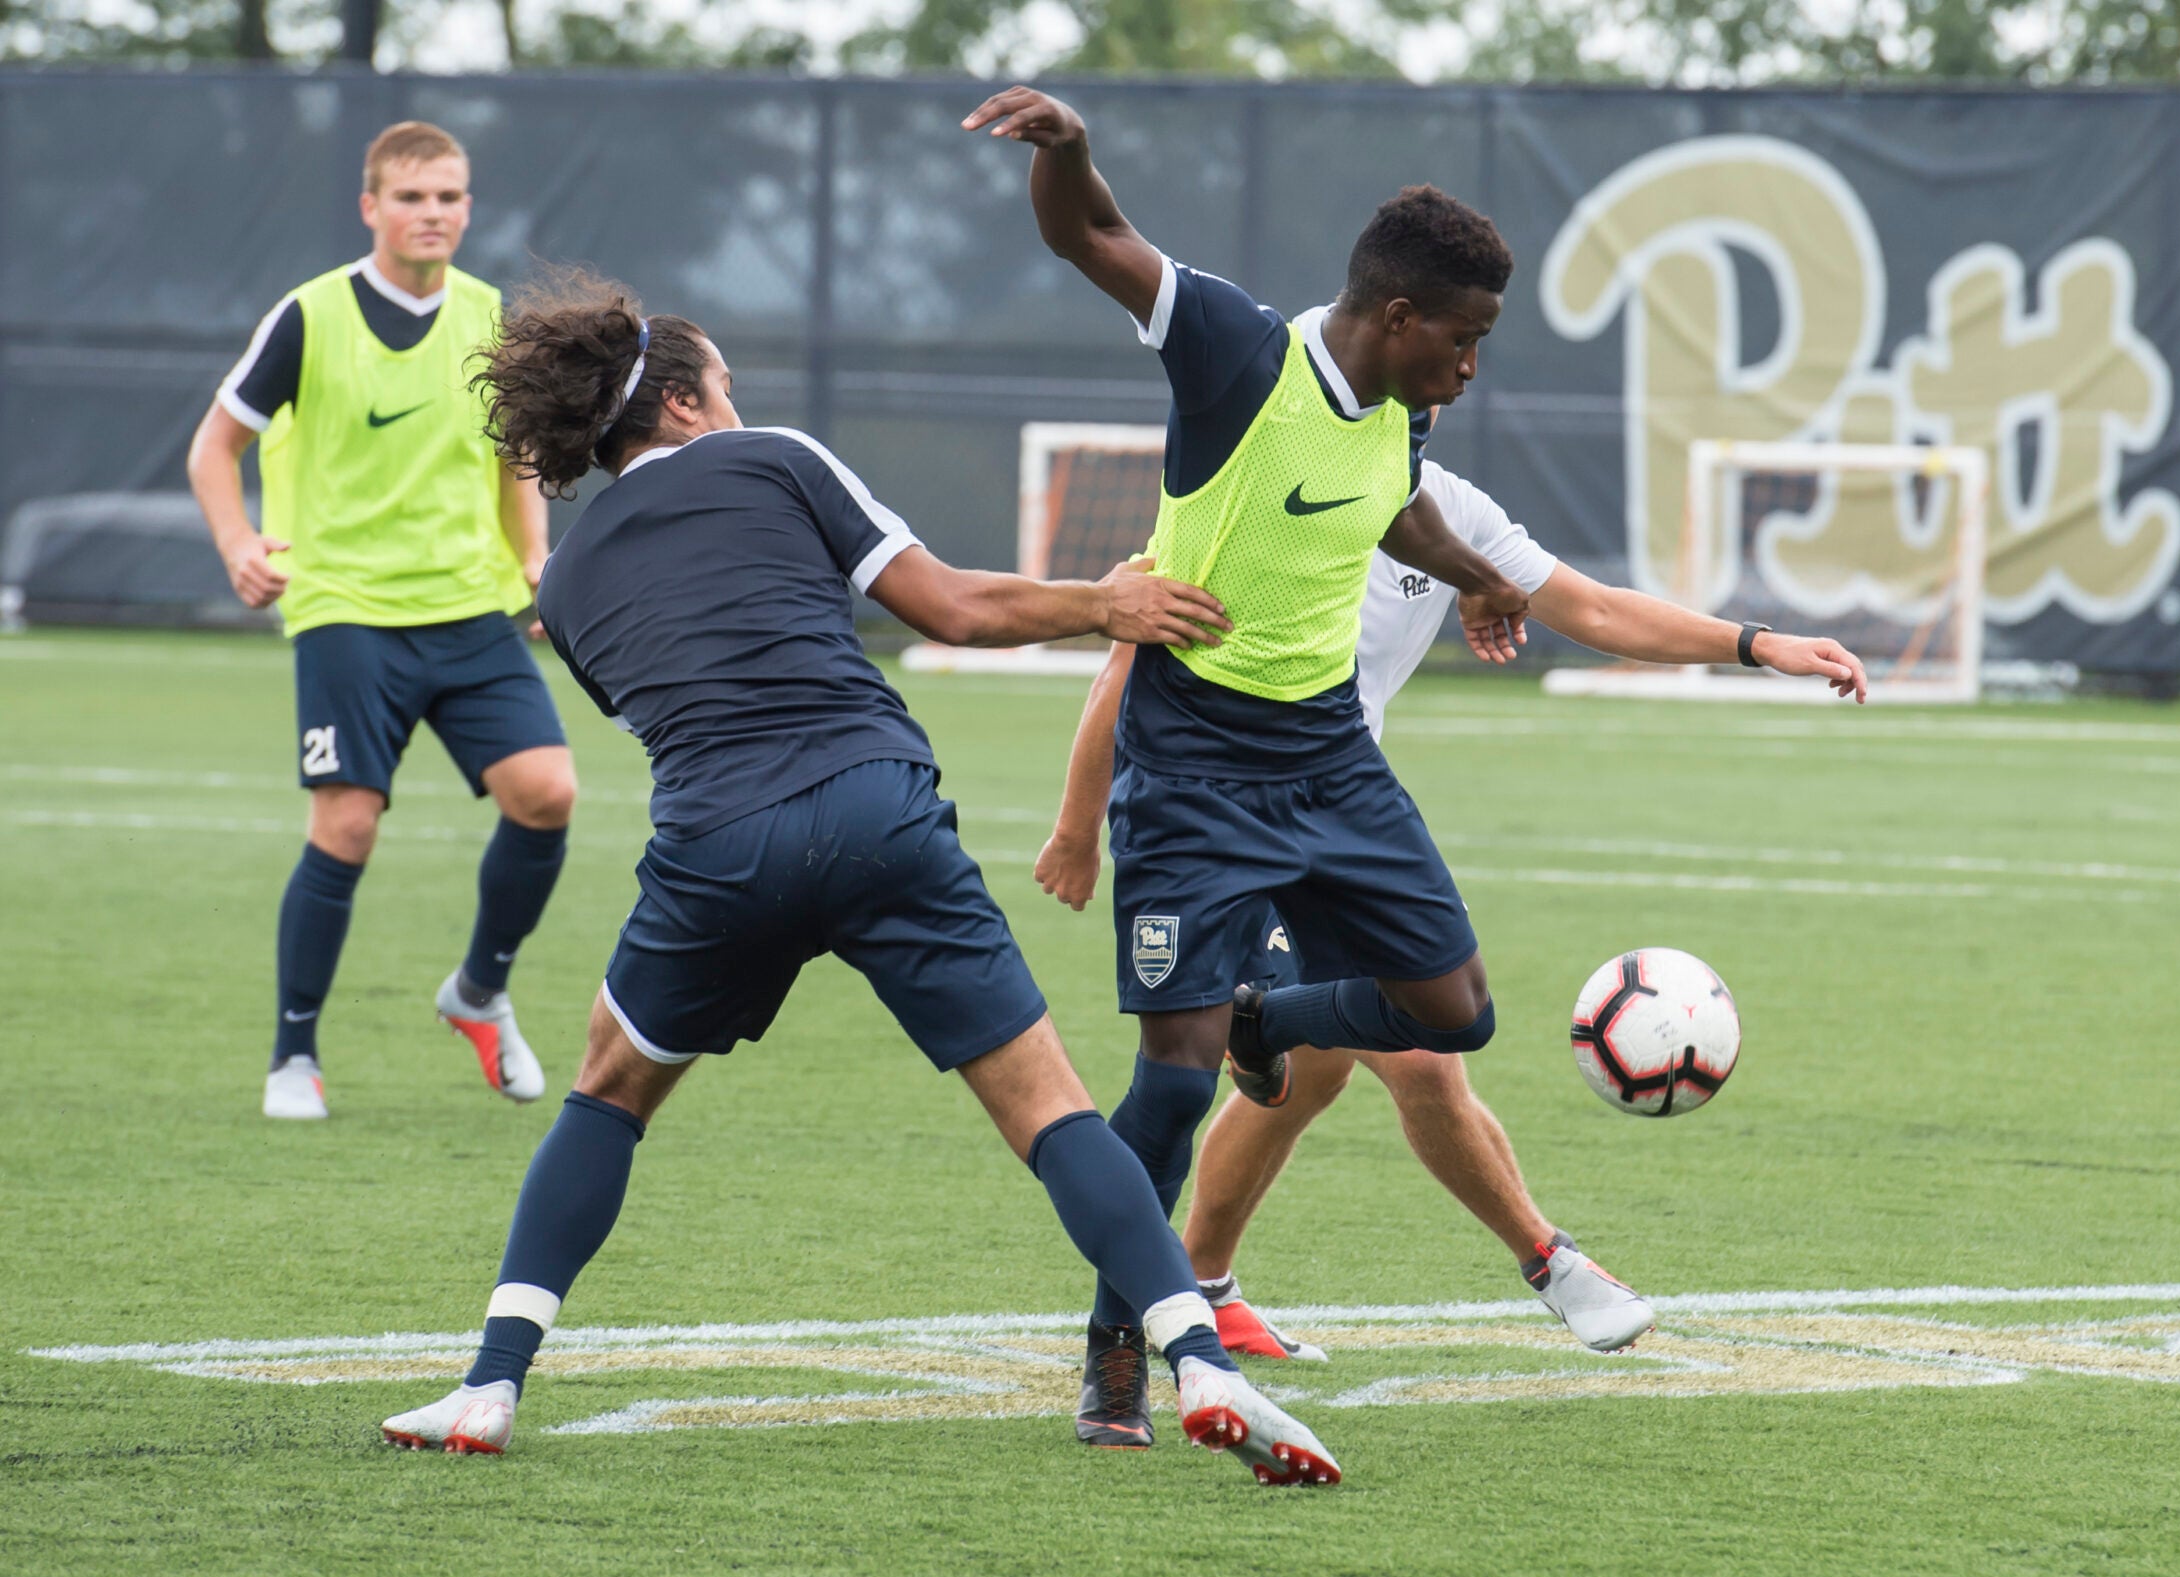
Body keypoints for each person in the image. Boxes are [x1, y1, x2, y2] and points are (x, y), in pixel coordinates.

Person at [377, 271, 1338, 1486]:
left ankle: (490, 1385)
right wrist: (1107, 601)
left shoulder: (560, 588)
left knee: (608, 1089)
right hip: (878, 808)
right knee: (1050, 1111)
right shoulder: (778, 459)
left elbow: (672, 711)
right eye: (724, 386)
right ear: (678, 404)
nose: (738, 403)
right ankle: (1200, 1359)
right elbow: (949, 609)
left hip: (718, 844)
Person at [963, 85, 1537, 1450]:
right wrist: (1069, 152)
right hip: (1195, 765)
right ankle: (1123, 1333)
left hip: (1329, 755)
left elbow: (1386, 499)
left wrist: (1471, 576)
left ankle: (1271, 1019)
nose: (1471, 365)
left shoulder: (1403, 402)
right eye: (1464, 340)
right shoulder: (1235, 350)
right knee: (1168, 1080)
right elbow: (1091, 236)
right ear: (1400, 319)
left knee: (1450, 1007)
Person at [1036, 459, 1869, 1359]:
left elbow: (1588, 607)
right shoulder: (1251, 480)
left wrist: (1757, 644)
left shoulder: (1446, 508)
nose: (1454, 377)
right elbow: (1131, 660)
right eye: (1446, 349)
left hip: (1338, 814)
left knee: (1315, 1067)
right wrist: (1078, 828)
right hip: (1221, 816)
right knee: (1416, 1056)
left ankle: (1204, 1275)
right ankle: (1551, 1263)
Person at [186, 121, 576, 1122]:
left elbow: (516, 456)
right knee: (348, 824)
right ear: (371, 208)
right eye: (412, 197)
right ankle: (294, 1058)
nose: (433, 213)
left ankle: (479, 994)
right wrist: (238, 543)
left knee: (547, 793)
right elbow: (214, 445)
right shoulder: (309, 316)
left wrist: (533, 559)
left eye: (450, 196)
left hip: (469, 605)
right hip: (345, 607)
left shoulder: (492, 315)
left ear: (468, 206)